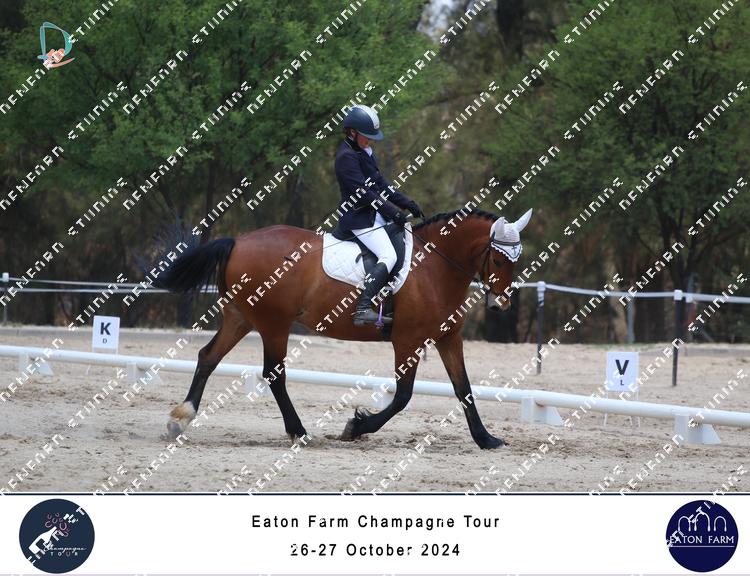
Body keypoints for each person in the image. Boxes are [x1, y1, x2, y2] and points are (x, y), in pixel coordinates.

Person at [334, 104, 423, 326]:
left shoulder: (363, 152)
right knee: (388, 256)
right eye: (367, 136)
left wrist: (407, 203)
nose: (370, 141)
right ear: (352, 132)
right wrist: (393, 213)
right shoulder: (346, 157)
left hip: (373, 215)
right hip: (357, 218)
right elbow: (363, 193)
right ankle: (363, 309)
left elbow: (381, 184)